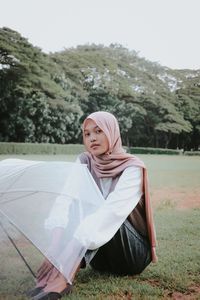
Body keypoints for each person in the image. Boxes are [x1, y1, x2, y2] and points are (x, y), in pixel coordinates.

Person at [29, 111, 157, 300]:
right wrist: (54, 250)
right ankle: (58, 269)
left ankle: (64, 276)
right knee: (76, 203)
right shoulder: (84, 161)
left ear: (112, 132)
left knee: (100, 208)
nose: (92, 138)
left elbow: (111, 212)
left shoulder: (132, 167)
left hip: (131, 256)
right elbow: (65, 199)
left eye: (98, 131)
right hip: (100, 260)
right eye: (87, 133)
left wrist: (67, 256)